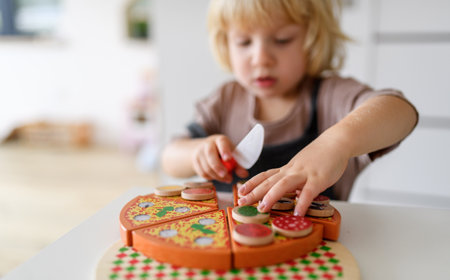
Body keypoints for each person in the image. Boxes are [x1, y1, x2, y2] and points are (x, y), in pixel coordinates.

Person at [161, 0, 418, 216]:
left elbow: (400, 111)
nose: (261, 58)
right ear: (225, 44)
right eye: (243, 42)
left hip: (313, 257)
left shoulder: (328, 96)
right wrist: (197, 153)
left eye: (282, 40)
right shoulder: (226, 99)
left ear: (313, 38)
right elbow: (169, 158)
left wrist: (336, 143)